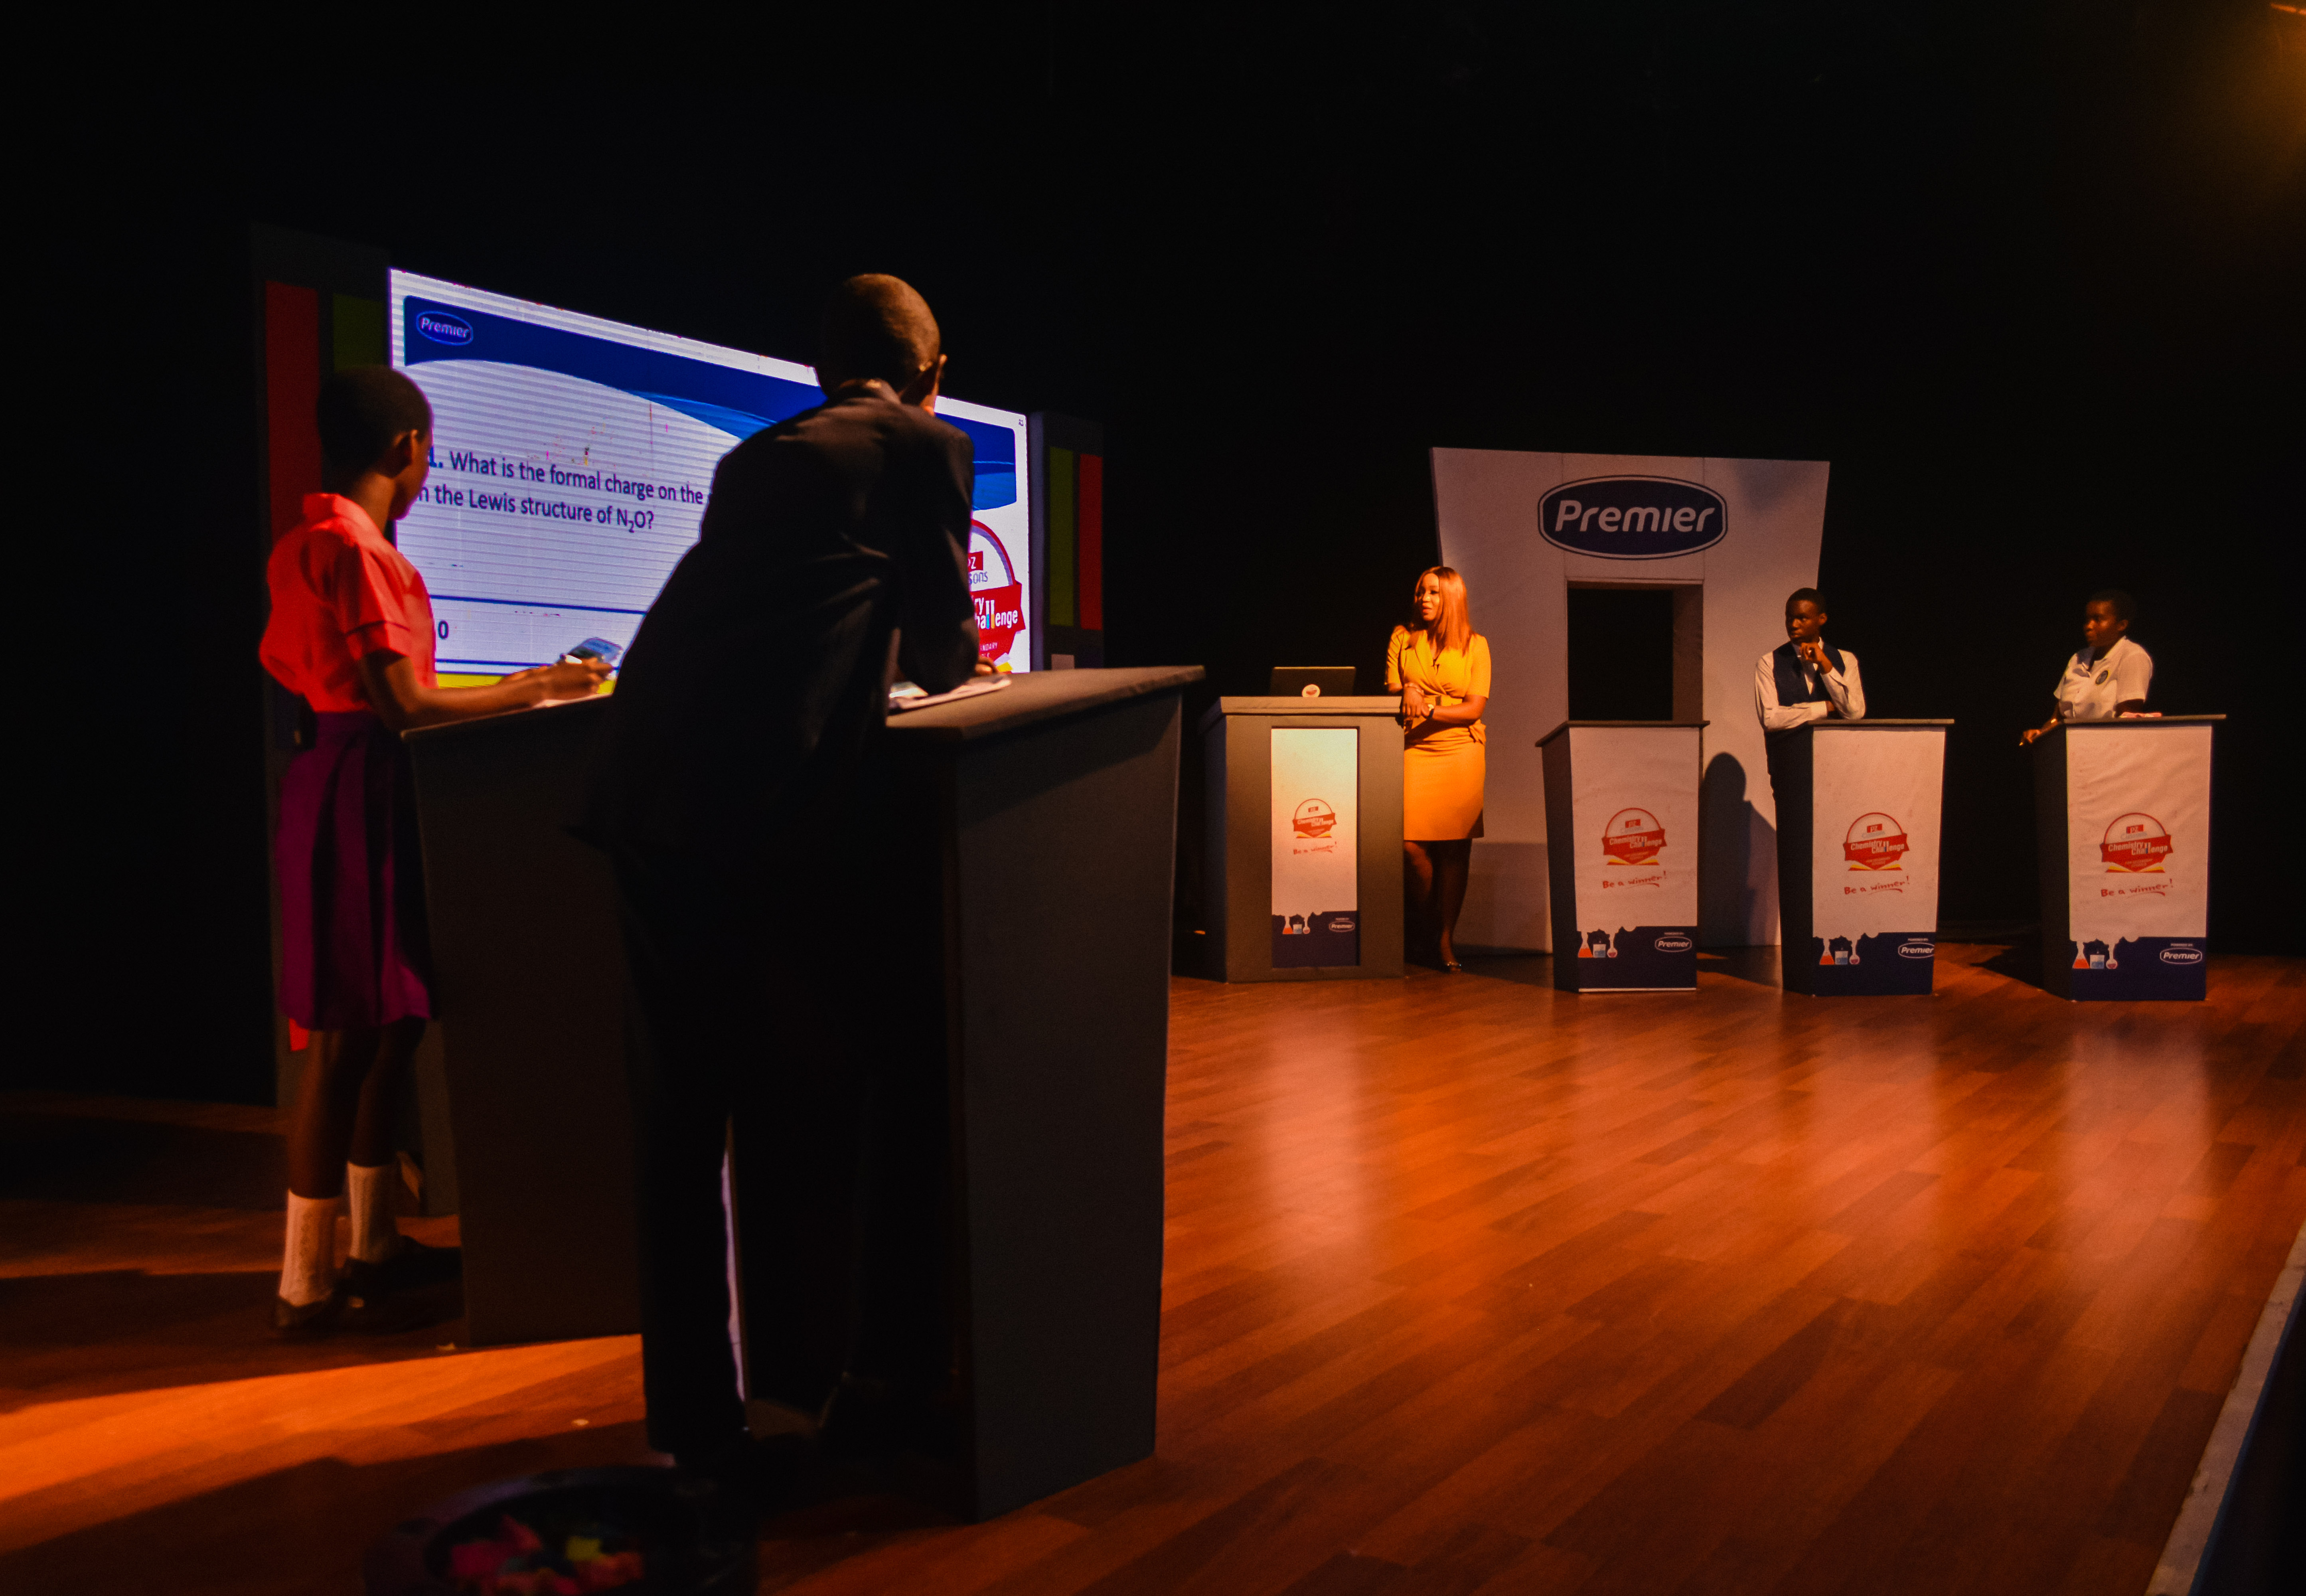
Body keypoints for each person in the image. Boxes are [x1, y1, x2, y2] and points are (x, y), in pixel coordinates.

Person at [573, 275, 979, 1484]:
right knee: (894, 1064)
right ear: (933, 373)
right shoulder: (923, 445)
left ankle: (701, 1427)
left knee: (679, 1116)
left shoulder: (755, 456)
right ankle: (883, 1380)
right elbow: (948, 649)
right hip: (759, 808)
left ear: (819, 373)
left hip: (647, 791)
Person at [259, 367, 608, 1338]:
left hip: (355, 780)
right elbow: (402, 706)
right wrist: (536, 690)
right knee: (347, 1037)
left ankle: (372, 1247)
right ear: (407, 447)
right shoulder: (355, 548)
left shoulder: (308, 543)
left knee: (394, 1026)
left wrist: (519, 682)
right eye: (429, 456)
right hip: (364, 786)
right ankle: (303, 1283)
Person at [1387, 567, 1491, 973]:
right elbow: (1394, 689)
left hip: (1460, 750)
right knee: (1409, 845)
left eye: (1432, 592)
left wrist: (1429, 706)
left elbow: (1473, 708)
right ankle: (1427, 922)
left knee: (1455, 849)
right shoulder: (1403, 638)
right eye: (1420, 592)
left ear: (1451, 598)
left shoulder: (1476, 645)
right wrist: (1409, 689)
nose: (1423, 599)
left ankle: (1445, 937)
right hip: (1416, 747)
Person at [2020, 589, 2152, 745]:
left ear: (2121, 625)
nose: (2089, 626)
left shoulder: (2132, 656)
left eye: (2098, 620)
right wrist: (2040, 734)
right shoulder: (2078, 658)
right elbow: (2058, 718)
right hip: (2071, 748)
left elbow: (2129, 719)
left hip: (2106, 748)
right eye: (2087, 620)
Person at [1755, 588, 1866, 731]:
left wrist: (1826, 666)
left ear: (1822, 619)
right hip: (1789, 746)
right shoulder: (1769, 662)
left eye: (1802, 619)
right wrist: (1825, 708)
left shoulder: (1846, 659)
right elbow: (1769, 719)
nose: (1793, 625)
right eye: (1790, 618)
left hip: (1834, 745)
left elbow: (1855, 714)